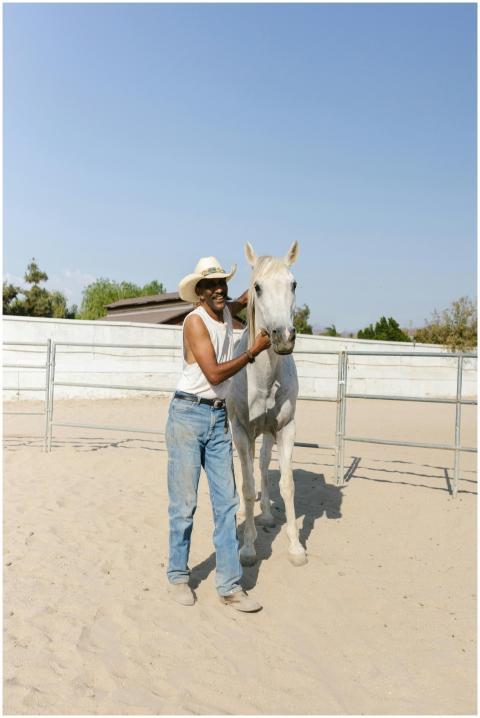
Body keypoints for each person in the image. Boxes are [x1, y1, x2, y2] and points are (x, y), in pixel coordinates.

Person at [166, 255, 271, 612]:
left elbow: (246, 299)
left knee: (227, 505)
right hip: (188, 416)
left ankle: (229, 585)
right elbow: (213, 374)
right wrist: (253, 352)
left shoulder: (226, 309)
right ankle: (178, 575)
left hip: (217, 419)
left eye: (221, 283)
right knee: (184, 504)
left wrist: (263, 279)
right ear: (198, 293)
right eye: (210, 285)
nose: (217, 290)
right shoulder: (195, 323)